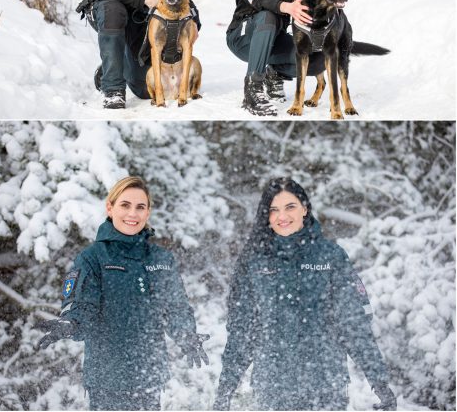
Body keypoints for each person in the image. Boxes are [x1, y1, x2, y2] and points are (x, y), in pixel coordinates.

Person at [213, 177, 397, 411]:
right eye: (274, 210)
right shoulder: (253, 262)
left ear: (305, 209)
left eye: (290, 207)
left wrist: (379, 382)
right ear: (266, 217)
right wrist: (225, 389)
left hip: (326, 389)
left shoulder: (330, 257)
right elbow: (242, 332)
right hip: (272, 391)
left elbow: (354, 325)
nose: (282, 216)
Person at [37, 176, 209, 410]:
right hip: (107, 381)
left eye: (140, 207)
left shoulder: (161, 259)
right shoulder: (93, 258)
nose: (133, 214)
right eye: (125, 205)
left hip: (149, 376)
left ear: (148, 212)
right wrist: (71, 324)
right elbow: (83, 307)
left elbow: (174, 307)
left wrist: (186, 335)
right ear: (110, 207)